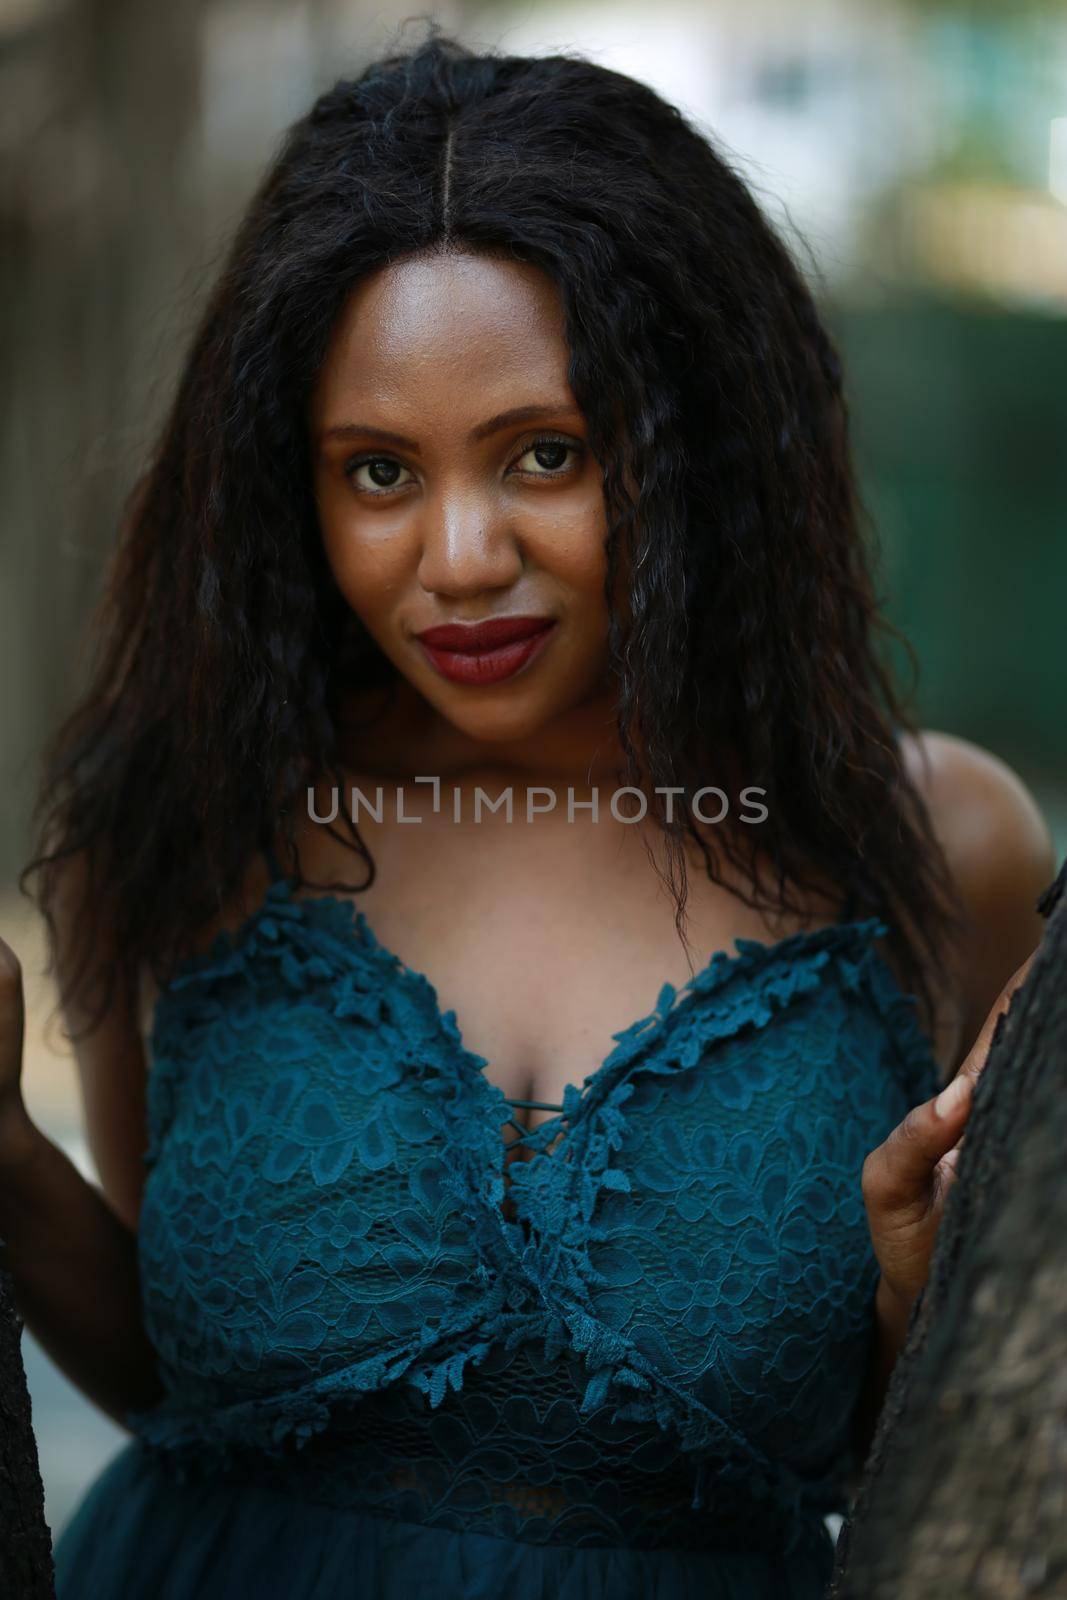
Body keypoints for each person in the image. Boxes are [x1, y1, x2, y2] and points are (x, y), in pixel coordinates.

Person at [0, 28, 1056, 1600]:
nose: (460, 556)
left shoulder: (935, 846)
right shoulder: (188, 822)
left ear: (694, 451)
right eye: (376, 474)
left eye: (543, 454)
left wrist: (914, 1298)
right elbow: (190, 1385)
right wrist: (9, 1160)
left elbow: (924, 1471)